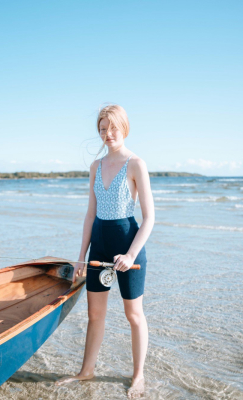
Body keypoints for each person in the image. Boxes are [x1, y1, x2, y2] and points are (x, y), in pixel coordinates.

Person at [55, 104, 155, 398]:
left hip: (127, 246)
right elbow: (90, 214)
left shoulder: (136, 163)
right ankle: (87, 371)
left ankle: (138, 376)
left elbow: (149, 217)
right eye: (102, 129)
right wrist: (81, 256)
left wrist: (131, 255)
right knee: (94, 315)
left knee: (133, 314)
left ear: (123, 127)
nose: (107, 134)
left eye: (112, 128)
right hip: (98, 244)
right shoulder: (95, 167)